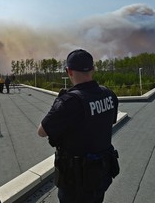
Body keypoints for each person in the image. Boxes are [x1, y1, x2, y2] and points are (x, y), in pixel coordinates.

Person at [37, 49, 120, 203]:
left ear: (69, 71)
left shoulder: (69, 102)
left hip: (76, 182)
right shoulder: (109, 94)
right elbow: (108, 121)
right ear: (93, 69)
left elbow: (42, 131)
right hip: (101, 174)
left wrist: (58, 106)